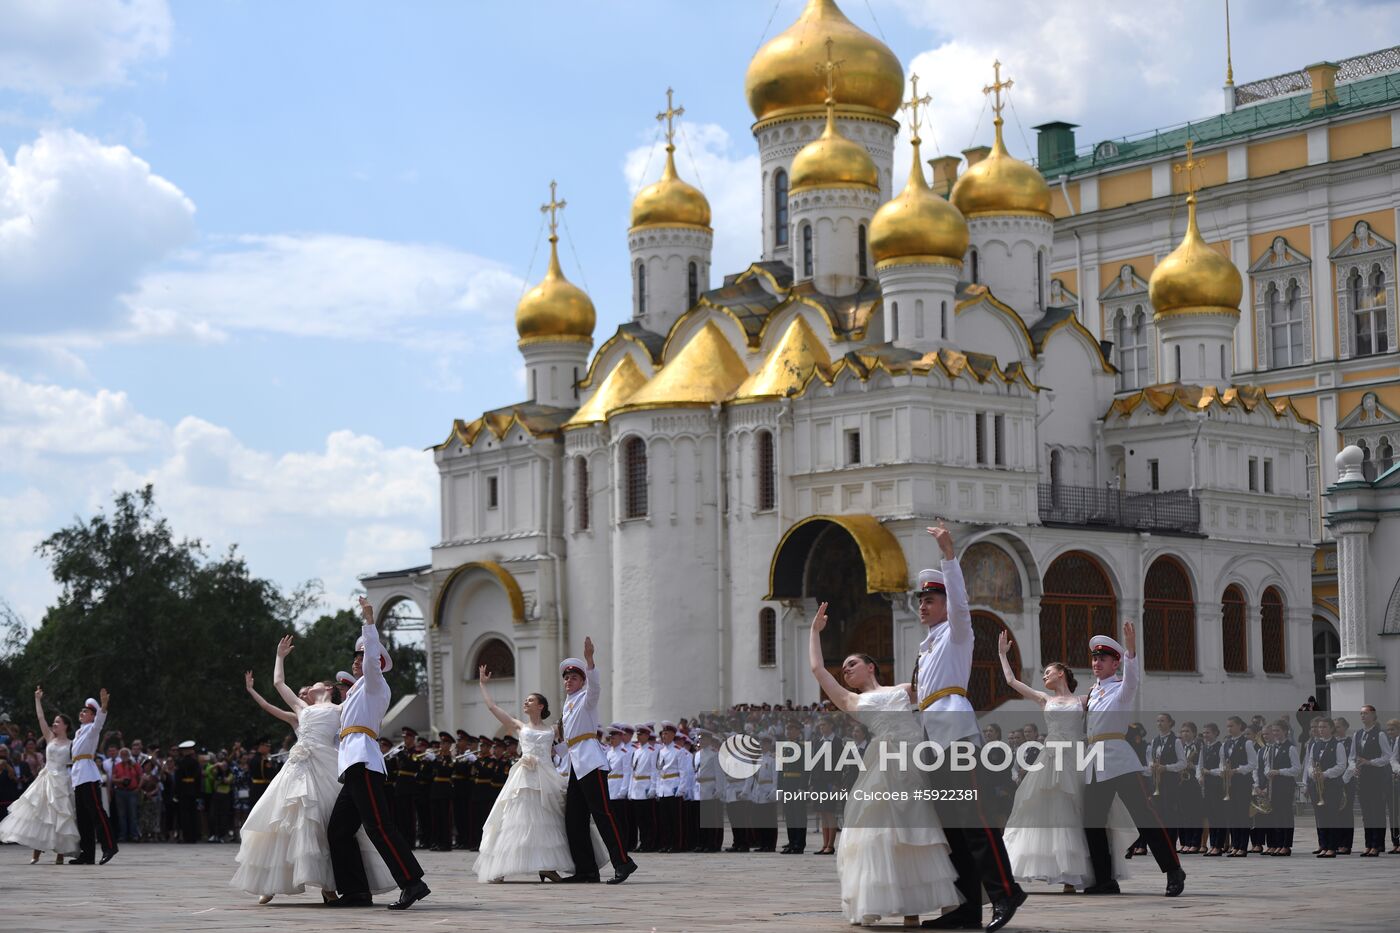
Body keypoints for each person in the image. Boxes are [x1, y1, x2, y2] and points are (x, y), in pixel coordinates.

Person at [808, 601, 961, 927]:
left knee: (917, 829)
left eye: (852, 664)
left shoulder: (904, 691)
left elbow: (936, 687)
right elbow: (819, 671)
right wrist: (814, 633)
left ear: (871, 667)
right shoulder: (851, 700)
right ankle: (889, 901)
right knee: (883, 831)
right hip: (884, 766)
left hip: (915, 763)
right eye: (844, 667)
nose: (846, 670)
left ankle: (917, 909)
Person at [910, 523, 1025, 932]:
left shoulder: (957, 633)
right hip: (933, 738)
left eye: (931, 598)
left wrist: (948, 554)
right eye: (921, 599)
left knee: (975, 820)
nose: (923, 605)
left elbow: (961, 603)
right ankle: (964, 908)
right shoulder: (926, 648)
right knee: (953, 827)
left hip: (956, 734)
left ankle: (1006, 892)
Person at [232, 636, 395, 904]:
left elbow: (365, 703)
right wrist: (279, 656)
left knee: (322, 824)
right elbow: (278, 683)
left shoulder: (342, 708)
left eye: (318, 684)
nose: (310, 687)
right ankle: (270, 882)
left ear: (329, 690)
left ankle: (328, 886)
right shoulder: (301, 708)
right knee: (281, 819)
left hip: (324, 766)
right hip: (296, 767)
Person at [995, 634, 1131, 892]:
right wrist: (1003, 655)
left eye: (1048, 672)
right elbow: (1011, 681)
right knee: (1051, 812)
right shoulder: (1044, 699)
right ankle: (1061, 871)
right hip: (1050, 760)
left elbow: (1110, 694)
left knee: (1078, 811)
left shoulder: (1085, 698)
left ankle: (1078, 874)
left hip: (1077, 758)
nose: (1044, 676)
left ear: (1061, 673)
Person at [324, 597, 429, 910]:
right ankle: (356, 890)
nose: (358, 660)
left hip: (364, 762)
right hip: (352, 763)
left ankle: (412, 882)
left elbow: (371, 659)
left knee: (378, 826)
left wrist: (368, 621)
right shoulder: (357, 692)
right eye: (355, 656)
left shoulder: (375, 685)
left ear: (377, 662)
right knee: (338, 830)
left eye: (363, 655)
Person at [472, 665, 606, 882]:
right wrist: (482, 684)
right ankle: (501, 867)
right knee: (516, 819)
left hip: (547, 775)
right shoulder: (518, 726)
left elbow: (575, 734)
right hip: (524, 777)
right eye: (525, 700)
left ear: (541, 706)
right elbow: (492, 707)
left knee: (549, 819)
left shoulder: (553, 729)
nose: (526, 702)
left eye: (531, 700)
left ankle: (547, 866)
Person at [1081, 625, 1185, 897]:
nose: (1096, 663)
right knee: (1091, 822)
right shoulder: (1093, 693)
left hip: (1119, 760)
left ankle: (1173, 869)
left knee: (1145, 817)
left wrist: (1131, 650)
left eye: (1102, 659)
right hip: (1095, 762)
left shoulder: (1120, 689)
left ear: (1115, 663)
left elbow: (1133, 680)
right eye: (1094, 659)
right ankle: (1104, 880)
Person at [553, 638, 637, 884]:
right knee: (574, 819)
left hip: (589, 761)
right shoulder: (568, 704)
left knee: (603, 813)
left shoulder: (586, 698)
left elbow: (596, 687)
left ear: (583, 681)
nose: (569, 681)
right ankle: (586, 869)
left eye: (575, 678)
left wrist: (590, 661)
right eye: (567, 678)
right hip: (574, 764)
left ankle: (623, 861)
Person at [0, 686, 79, 863]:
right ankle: (36, 853)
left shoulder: (72, 743)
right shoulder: (50, 737)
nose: (55, 724)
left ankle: (60, 854)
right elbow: (41, 717)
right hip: (45, 779)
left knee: (60, 817)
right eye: (55, 722)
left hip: (62, 782)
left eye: (58, 722)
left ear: (66, 725)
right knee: (39, 814)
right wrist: (37, 699)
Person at [69, 689, 118, 865]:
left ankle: (110, 846)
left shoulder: (92, 729)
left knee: (97, 812)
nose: (82, 713)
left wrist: (103, 707)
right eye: (81, 711)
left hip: (88, 774)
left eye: (86, 711)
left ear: (93, 715)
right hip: (78, 774)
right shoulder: (79, 732)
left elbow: (99, 723)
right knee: (83, 817)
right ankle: (87, 854)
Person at [1352, 705, 1392, 857]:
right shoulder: (1358, 734)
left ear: (1373, 715)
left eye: (1366, 713)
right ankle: (1368, 844)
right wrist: (1353, 767)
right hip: (1363, 778)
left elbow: (1387, 756)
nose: (1363, 716)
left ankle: (1377, 844)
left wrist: (1370, 762)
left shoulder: (1380, 734)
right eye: (1361, 713)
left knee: (1377, 811)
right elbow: (1352, 756)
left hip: (1376, 777)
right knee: (1366, 812)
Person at [1257, 719, 1299, 856]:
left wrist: (1280, 772)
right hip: (1273, 785)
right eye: (1273, 731)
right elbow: (1267, 765)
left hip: (1285, 785)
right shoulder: (1272, 747)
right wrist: (1267, 773)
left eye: (1277, 731)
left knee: (1285, 815)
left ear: (1285, 731)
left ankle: (1286, 845)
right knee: (1275, 815)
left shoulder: (1290, 747)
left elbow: (1296, 769)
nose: (1275, 734)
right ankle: (1277, 843)